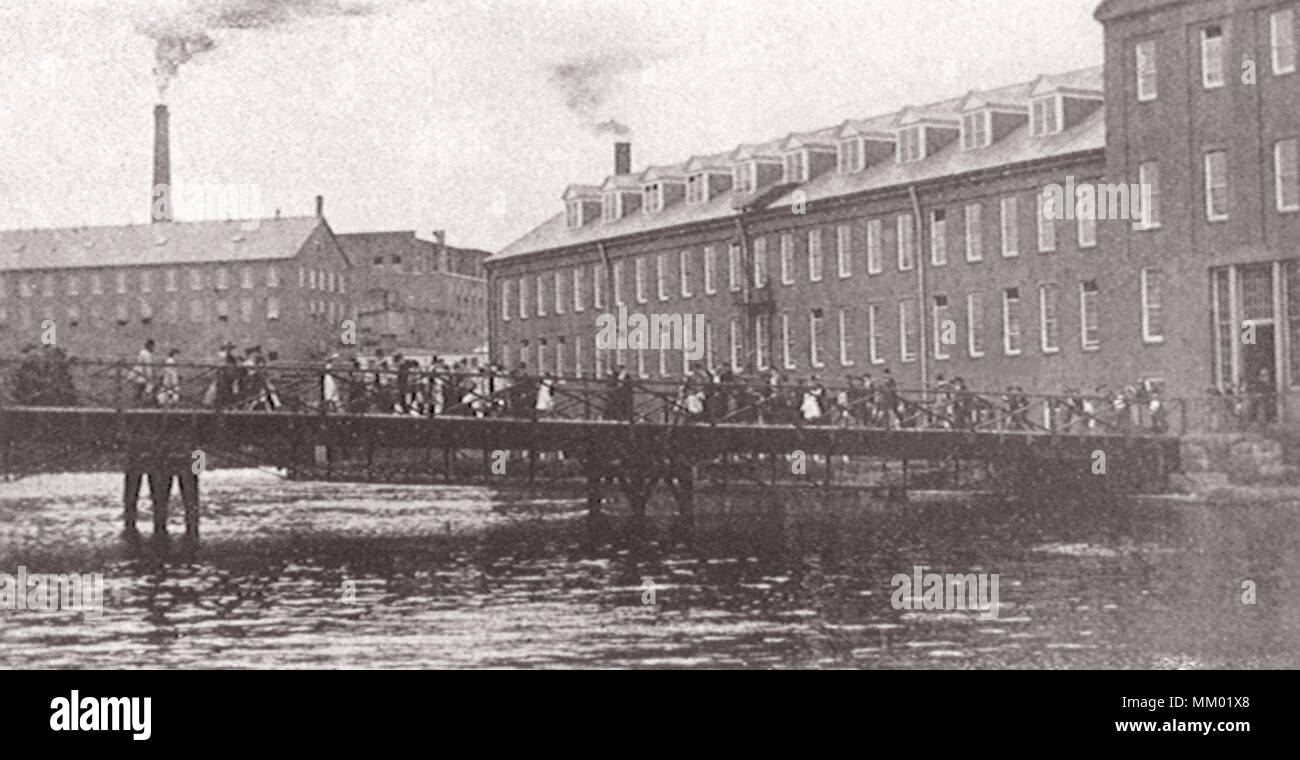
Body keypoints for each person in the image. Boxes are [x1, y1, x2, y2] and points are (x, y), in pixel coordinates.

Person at [129, 339, 156, 405]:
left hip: (143, 377)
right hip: (143, 377)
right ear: (149, 346)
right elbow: (143, 366)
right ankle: (138, 406)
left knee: (140, 393)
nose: (154, 348)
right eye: (153, 346)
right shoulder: (145, 354)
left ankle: (138, 405)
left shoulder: (146, 353)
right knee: (141, 393)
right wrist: (149, 377)